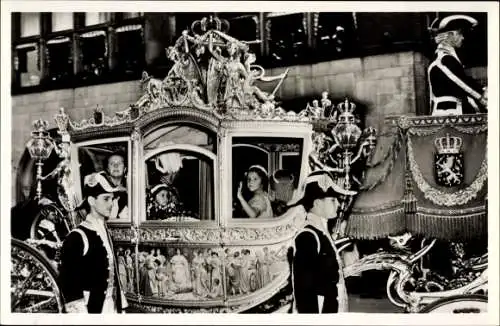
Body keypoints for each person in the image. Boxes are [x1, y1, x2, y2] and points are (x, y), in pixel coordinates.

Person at [57, 171, 128, 313]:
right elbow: (69, 284)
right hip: (91, 310)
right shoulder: (77, 237)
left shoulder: (105, 232)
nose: (111, 204)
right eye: (106, 199)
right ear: (91, 201)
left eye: (112, 199)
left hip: (110, 306)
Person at [289, 170, 357, 313]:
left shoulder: (321, 232)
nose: (338, 204)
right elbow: (304, 291)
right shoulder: (308, 236)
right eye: (333, 200)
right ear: (317, 203)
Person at [428, 14, 487, 116]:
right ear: (450, 35)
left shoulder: (445, 57)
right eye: (460, 34)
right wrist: (485, 96)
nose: (463, 38)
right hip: (450, 115)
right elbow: (464, 84)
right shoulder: (444, 59)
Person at [103, 151, 128, 220]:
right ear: (107, 169)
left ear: (125, 169)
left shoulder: (130, 192)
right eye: (112, 163)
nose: (115, 166)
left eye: (119, 163)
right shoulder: (101, 190)